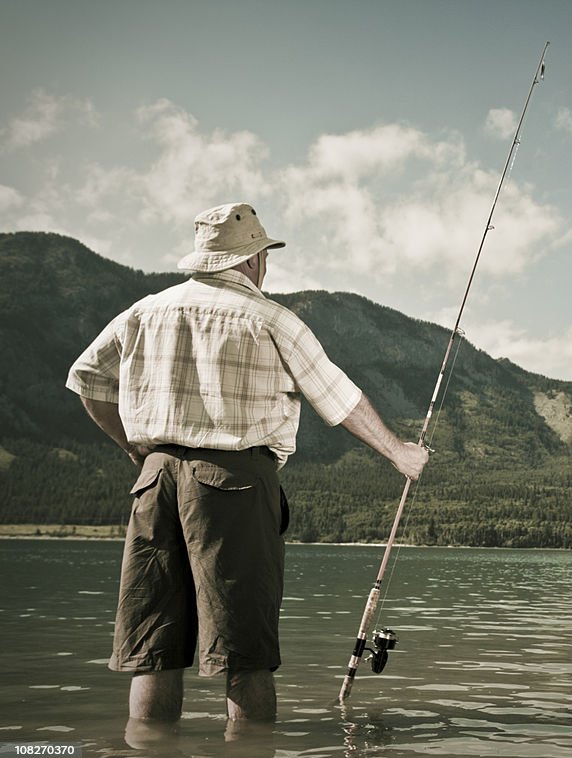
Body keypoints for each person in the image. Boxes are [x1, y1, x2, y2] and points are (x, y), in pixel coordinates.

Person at [66, 202, 429, 725]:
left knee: (153, 652)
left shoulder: (143, 311)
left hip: (155, 481)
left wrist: (133, 447)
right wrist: (400, 454)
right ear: (256, 259)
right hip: (234, 483)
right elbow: (338, 396)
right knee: (245, 656)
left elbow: (87, 379)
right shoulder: (272, 319)